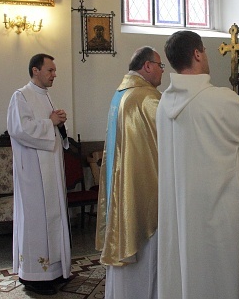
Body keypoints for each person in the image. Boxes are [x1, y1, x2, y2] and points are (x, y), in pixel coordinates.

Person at [156, 30, 239, 299]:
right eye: (205, 51)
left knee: (188, 274)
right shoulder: (217, 98)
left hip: (183, 211)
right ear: (197, 54)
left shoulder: (164, 103)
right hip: (217, 213)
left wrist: (235, 107)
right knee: (221, 277)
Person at [95, 46, 164, 299]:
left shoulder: (121, 94)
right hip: (141, 193)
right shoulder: (146, 98)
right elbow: (174, 136)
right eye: (160, 65)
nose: (162, 72)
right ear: (147, 66)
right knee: (148, 264)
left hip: (121, 189)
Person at [7, 53, 71, 296]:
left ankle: (54, 271)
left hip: (51, 171)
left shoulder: (46, 97)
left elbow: (51, 130)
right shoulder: (21, 96)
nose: (54, 74)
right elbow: (19, 129)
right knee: (36, 223)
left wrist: (59, 124)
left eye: (54, 71)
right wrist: (50, 122)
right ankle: (34, 276)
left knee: (52, 221)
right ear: (35, 70)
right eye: (50, 70)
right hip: (33, 174)